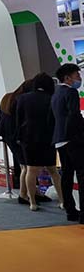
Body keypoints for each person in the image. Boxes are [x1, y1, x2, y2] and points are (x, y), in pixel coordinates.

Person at [15, 73, 64, 211]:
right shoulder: (52, 98)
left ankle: (32, 202)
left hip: (28, 138)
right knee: (53, 171)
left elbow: (19, 119)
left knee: (31, 170)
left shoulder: (23, 98)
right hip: (48, 138)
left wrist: (19, 137)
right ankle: (62, 200)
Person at [51, 63, 84, 223]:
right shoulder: (71, 92)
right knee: (81, 174)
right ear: (67, 78)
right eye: (77, 75)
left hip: (60, 140)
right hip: (73, 140)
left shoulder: (56, 94)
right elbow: (74, 115)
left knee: (67, 176)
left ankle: (70, 211)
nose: (79, 78)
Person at [0, 80, 33, 203]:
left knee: (23, 165)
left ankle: (31, 192)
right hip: (17, 135)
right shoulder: (22, 100)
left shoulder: (7, 97)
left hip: (6, 133)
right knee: (26, 167)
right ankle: (24, 194)